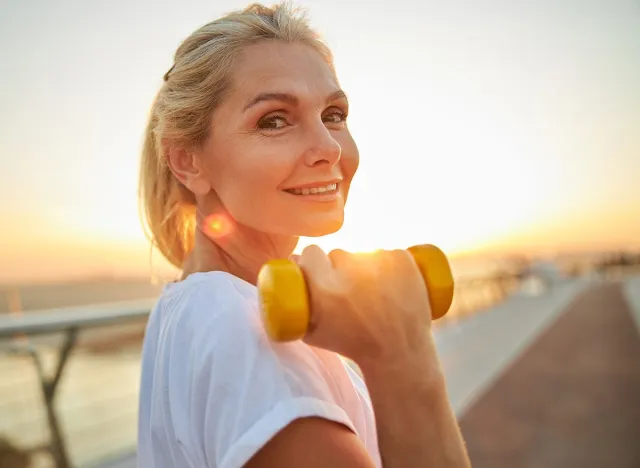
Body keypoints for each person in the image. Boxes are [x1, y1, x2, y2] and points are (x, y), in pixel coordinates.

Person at [136, 3, 471, 467]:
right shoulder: (240, 330)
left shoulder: (189, 306)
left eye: (333, 113)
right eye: (274, 119)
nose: (329, 147)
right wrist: (400, 356)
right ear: (188, 161)